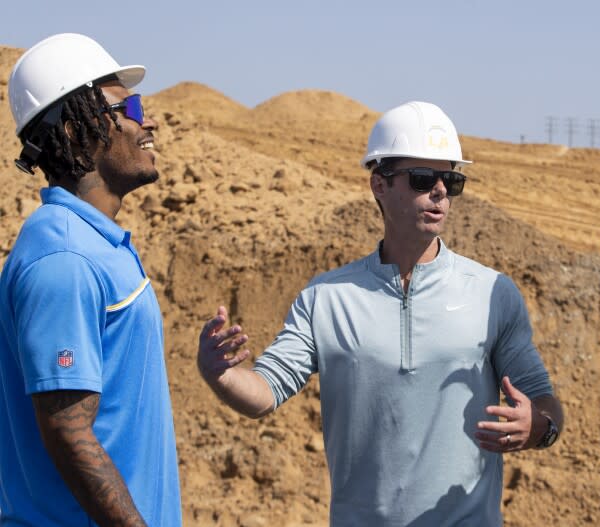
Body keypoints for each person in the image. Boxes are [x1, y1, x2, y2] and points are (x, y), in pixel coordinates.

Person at [197, 101, 563, 526]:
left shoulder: (492, 294)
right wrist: (220, 374)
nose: (441, 191)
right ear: (379, 185)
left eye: (452, 179)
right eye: (424, 178)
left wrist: (537, 426)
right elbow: (265, 391)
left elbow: (544, 403)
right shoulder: (325, 298)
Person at [0, 34, 181, 526]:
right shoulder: (64, 257)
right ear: (77, 126)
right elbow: (68, 432)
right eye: (131, 105)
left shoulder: (94, 243)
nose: (148, 121)